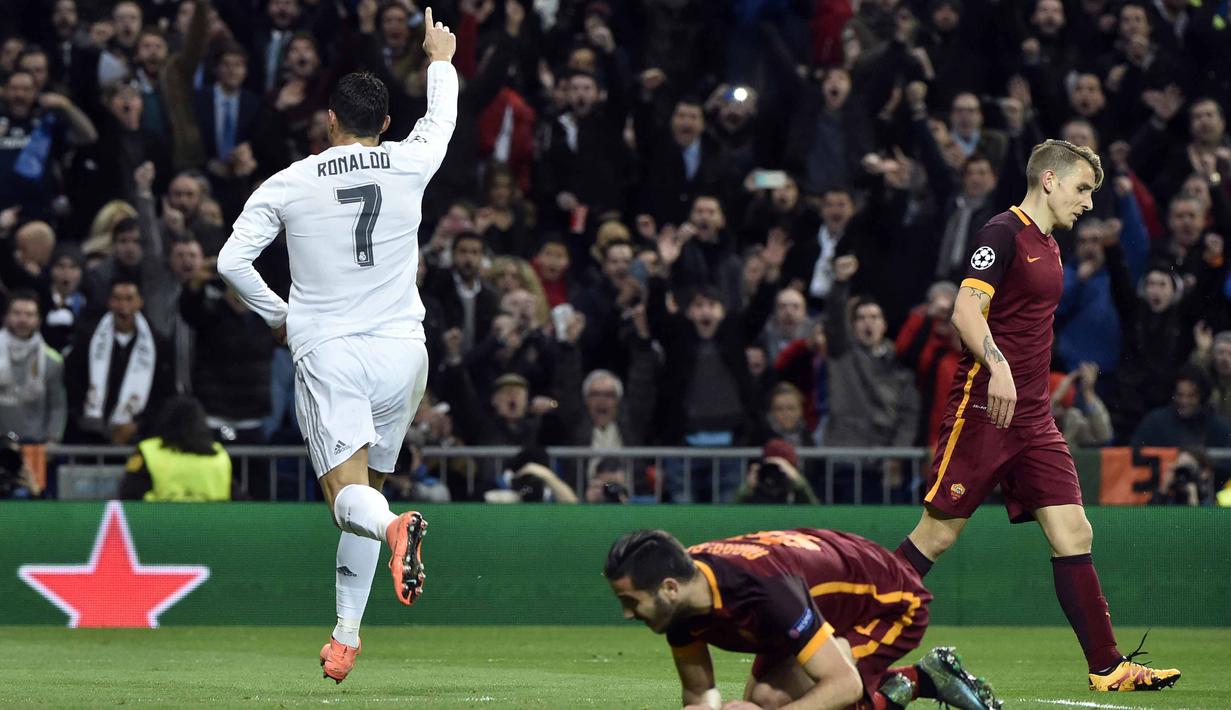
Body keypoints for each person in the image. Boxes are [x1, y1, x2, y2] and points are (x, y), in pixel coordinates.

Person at [216, 10, 456, 685]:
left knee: (348, 499)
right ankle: (346, 636)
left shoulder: (290, 182)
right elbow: (440, 120)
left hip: (333, 353)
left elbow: (231, 262)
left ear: (329, 121)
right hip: (404, 353)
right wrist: (439, 60)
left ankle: (396, 531)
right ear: (385, 124)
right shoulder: (409, 160)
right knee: (368, 494)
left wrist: (281, 316)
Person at [894, 139, 1181, 692]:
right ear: (1049, 180)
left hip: (1034, 422)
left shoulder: (1050, 246)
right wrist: (998, 366)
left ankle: (1108, 668)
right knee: (936, 536)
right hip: (984, 411)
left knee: (1074, 530)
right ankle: (846, 634)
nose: (1088, 203)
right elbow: (965, 310)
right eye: (1082, 189)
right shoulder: (1002, 233)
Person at [604, 529, 1002, 710]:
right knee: (764, 701)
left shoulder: (763, 592)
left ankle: (919, 680)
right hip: (815, 598)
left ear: (669, 588)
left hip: (888, 602)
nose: (627, 613)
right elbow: (699, 693)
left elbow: (842, 685)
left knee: (793, 702)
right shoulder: (684, 598)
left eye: (630, 601)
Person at [118, 396, 231, 501]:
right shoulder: (219, 455)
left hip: (159, 515)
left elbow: (129, 494)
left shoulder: (148, 451)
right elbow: (235, 497)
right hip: (212, 516)